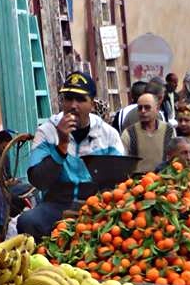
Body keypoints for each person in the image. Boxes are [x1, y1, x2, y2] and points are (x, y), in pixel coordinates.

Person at [18, 72, 123, 239]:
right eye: (68, 98)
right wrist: (61, 146)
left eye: (81, 100)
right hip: (56, 204)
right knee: (27, 221)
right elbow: (38, 180)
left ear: (92, 105)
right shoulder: (46, 131)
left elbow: (120, 178)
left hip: (96, 206)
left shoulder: (108, 135)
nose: (73, 105)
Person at [121, 93, 170, 173]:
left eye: (147, 107)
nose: (143, 111)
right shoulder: (129, 134)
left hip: (163, 181)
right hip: (137, 182)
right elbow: (122, 162)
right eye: (140, 108)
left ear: (157, 109)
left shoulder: (169, 131)